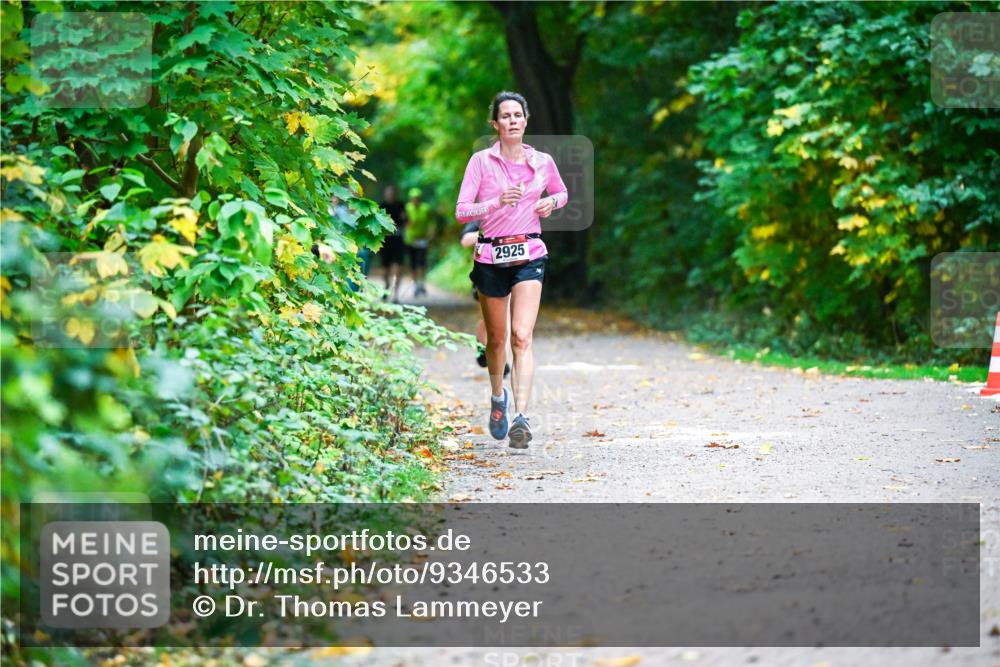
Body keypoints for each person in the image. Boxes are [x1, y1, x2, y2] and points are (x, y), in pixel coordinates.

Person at [454, 91, 568, 449]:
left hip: (530, 252)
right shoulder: (480, 162)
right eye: (505, 116)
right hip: (490, 256)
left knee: (522, 336)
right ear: (495, 124)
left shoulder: (543, 161)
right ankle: (497, 397)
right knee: (498, 339)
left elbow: (562, 193)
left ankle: (522, 417)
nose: (512, 120)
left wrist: (550, 202)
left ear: (526, 120)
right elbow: (461, 211)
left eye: (518, 114)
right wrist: (494, 203)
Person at [460, 220, 509, 379]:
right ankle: (482, 347)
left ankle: (504, 361)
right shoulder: (481, 217)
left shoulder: (517, 216)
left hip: (513, 272)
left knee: (507, 318)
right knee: (488, 319)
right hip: (486, 272)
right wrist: (489, 232)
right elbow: (465, 240)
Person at [378, 185, 407, 302]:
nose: (390, 195)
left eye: (392, 193)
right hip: (385, 240)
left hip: (398, 240)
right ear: (385, 194)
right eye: (388, 193)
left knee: (397, 267)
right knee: (385, 269)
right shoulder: (381, 206)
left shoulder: (401, 205)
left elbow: (406, 221)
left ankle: (395, 294)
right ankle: (386, 286)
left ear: (395, 194)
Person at [404, 188, 432, 297]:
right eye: (413, 198)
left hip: (422, 239)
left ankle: (421, 284)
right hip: (410, 240)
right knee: (413, 264)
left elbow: (431, 222)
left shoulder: (426, 208)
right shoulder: (407, 208)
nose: (415, 200)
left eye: (417, 198)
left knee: (422, 263)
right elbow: (403, 221)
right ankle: (415, 286)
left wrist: (430, 235)